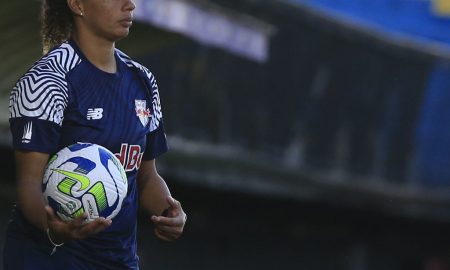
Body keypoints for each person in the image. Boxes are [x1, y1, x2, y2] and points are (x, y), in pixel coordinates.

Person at [3, 0, 187, 269]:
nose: (130, 5)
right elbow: (29, 184)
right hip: (47, 259)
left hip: (118, 260)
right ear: (77, 4)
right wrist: (54, 229)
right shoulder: (47, 80)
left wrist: (168, 211)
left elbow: (146, 176)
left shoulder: (143, 81)